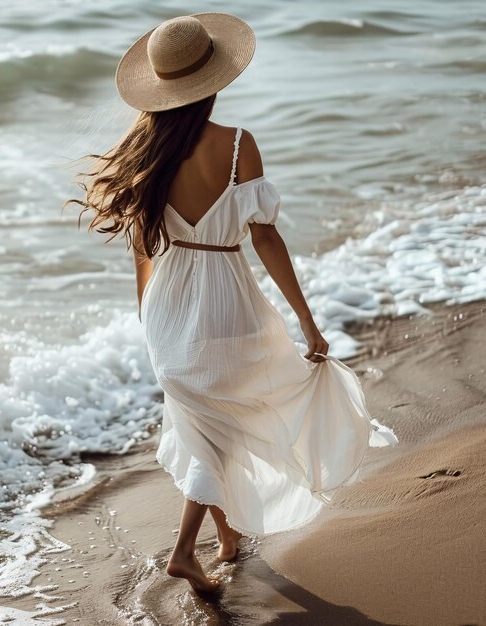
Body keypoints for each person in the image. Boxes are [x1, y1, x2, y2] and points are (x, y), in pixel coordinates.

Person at [67, 12, 398, 594]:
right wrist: (306, 320)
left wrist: (148, 313)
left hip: (167, 305)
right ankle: (184, 551)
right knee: (226, 428)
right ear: (213, 82)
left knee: (206, 425)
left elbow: (142, 248)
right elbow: (265, 238)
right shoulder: (239, 145)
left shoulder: (145, 153)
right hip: (224, 295)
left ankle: (226, 539)